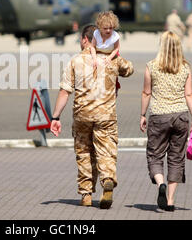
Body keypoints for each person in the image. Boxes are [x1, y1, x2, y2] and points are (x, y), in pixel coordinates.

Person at [50, 24, 134, 209]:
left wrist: (55, 118)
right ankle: (107, 181)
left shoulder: (75, 61)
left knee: (84, 153)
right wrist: (115, 53)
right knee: (106, 151)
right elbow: (129, 69)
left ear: (85, 39)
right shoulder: (112, 60)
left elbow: (65, 92)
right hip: (106, 116)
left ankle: (86, 194)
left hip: (82, 115)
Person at [140, 31, 192, 212]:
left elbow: (147, 93)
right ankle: (171, 201)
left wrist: (143, 115)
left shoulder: (151, 66)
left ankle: (160, 185)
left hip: (158, 116)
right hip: (181, 116)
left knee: (155, 155)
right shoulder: (185, 67)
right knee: (176, 158)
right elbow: (189, 94)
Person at [89, 11, 122, 95]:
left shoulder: (115, 36)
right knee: (93, 67)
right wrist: (94, 58)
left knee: (114, 69)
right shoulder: (96, 34)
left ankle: (115, 88)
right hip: (98, 52)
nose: (108, 30)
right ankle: (94, 88)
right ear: (100, 27)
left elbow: (117, 48)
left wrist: (109, 58)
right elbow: (92, 46)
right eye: (105, 28)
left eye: (110, 28)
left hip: (111, 53)